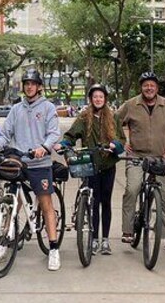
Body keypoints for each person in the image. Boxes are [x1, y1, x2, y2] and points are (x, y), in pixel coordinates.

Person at [0, 69, 62, 271]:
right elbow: (5, 134)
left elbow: (54, 133)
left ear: (39, 87)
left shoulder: (47, 108)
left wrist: (44, 148)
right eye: (26, 83)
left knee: (46, 204)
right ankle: (3, 244)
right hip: (18, 162)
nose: (29, 86)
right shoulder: (16, 109)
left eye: (33, 83)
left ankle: (53, 248)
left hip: (40, 164)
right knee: (12, 205)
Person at [119, 72, 165, 255]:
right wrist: (120, 141)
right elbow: (113, 122)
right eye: (145, 85)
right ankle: (128, 229)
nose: (149, 88)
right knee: (132, 188)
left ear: (157, 88)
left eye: (152, 85)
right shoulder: (131, 105)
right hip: (136, 157)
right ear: (141, 87)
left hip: (160, 158)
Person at [58, 83, 125, 255]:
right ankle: (94, 239)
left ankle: (105, 240)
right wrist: (64, 144)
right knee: (93, 202)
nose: (98, 99)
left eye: (101, 96)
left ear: (105, 99)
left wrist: (114, 145)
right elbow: (71, 135)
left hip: (108, 165)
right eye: (95, 97)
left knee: (106, 202)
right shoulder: (84, 117)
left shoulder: (113, 117)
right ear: (91, 99)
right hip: (90, 165)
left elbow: (122, 141)